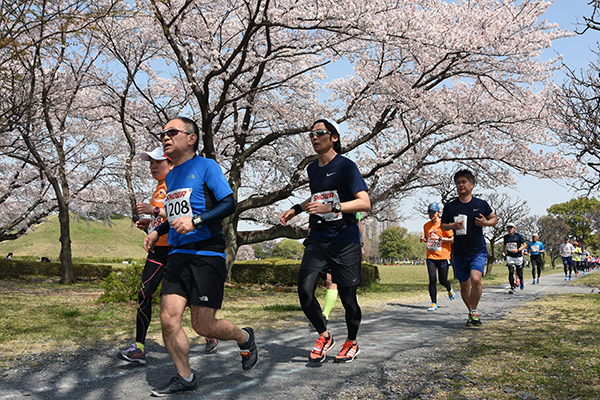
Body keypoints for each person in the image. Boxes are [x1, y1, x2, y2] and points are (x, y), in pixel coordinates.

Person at [143, 117, 258, 396]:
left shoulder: (207, 166)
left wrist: (197, 221)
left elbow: (228, 203)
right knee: (169, 319)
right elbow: (175, 215)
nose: (165, 137)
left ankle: (244, 337)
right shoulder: (171, 176)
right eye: (163, 133)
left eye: (172, 132)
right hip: (179, 254)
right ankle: (185, 377)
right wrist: (158, 231)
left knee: (202, 325)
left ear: (191, 138)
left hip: (207, 254)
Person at [280, 118, 370, 363]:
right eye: (311, 134)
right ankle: (324, 335)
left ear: (334, 138)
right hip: (318, 239)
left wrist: (334, 206)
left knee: (348, 299)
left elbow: (364, 202)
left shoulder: (346, 167)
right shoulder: (312, 169)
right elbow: (316, 197)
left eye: (320, 133)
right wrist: (296, 209)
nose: (314, 137)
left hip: (345, 240)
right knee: (305, 291)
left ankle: (351, 341)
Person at [117, 146, 173, 365]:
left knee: (179, 299)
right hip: (157, 250)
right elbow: (162, 220)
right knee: (143, 294)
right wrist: (149, 224)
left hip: (176, 250)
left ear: (171, 164)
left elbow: (183, 214)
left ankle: (207, 330)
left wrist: (154, 211)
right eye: (150, 163)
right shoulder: (158, 188)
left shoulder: (177, 186)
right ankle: (139, 347)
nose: (152, 166)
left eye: (157, 162)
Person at [440, 169, 497, 327]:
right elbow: (443, 224)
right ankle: (472, 311)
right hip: (459, 252)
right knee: (464, 285)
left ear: (472, 184)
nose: (460, 185)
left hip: (477, 249)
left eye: (464, 182)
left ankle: (474, 311)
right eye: (458, 183)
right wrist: (452, 225)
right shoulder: (451, 206)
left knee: (476, 279)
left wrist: (485, 223)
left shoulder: (480, 204)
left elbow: (494, 218)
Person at [322, 212, 365, 322]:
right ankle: (325, 315)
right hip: (327, 245)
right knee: (329, 280)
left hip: (347, 247)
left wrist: (360, 245)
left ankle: (351, 300)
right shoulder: (324, 198)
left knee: (346, 288)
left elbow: (358, 224)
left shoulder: (351, 202)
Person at [419, 202, 456, 311]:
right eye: (429, 212)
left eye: (433, 212)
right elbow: (427, 238)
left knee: (443, 280)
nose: (431, 214)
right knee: (432, 279)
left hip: (443, 255)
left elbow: (452, 240)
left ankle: (449, 288)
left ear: (438, 212)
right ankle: (433, 303)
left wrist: (440, 239)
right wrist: (423, 240)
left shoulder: (444, 225)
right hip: (431, 256)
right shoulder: (426, 225)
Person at [502, 222, 527, 294]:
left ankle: (521, 281)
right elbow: (504, 244)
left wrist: (518, 250)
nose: (510, 229)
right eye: (508, 228)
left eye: (511, 228)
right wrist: (503, 251)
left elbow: (525, 245)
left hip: (518, 256)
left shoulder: (519, 236)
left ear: (514, 229)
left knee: (519, 272)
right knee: (511, 272)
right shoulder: (506, 237)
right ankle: (512, 287)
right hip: (510, 256)